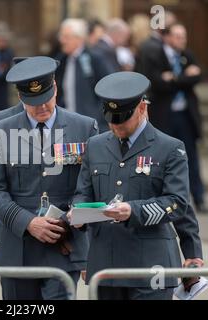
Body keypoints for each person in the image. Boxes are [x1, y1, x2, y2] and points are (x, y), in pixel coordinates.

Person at [0, 56, 98, 299]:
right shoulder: (2, 130)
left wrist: (71, 219)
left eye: (46, 99)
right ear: (21, 98)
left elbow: (89, 186)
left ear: (55, 88)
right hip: (18, 246)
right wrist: (29, 223)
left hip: (63, 244)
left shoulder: (84, 127)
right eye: (34, 102)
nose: (42, 107)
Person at [72, 71, 191, 300]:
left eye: (123, 119)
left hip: (150, 265)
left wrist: (133, 211)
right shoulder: (95, 146)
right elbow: (82, 192)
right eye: (111, 119)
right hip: (106, 264)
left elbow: (177, 203)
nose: (116, 126)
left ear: (142, 108)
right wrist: (77, 213)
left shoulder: (170, 148)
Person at [136, 23, 206, 213]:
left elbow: (198, 77)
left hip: (185, 115)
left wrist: (174, 78)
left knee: (191, 156)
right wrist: (183, 78)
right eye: (177, 36)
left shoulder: (187, 55)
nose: (181, 39)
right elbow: (157, 83)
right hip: (164, 115)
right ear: (166, 37)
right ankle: (161, 198)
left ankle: (198, 198)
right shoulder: (156, 54)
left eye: (183, 36)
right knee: (162, 156)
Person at [55, 18, 115, 132]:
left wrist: (98, 118)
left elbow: (109, 90)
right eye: (61, 36)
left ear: (79, 39)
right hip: (66, 125)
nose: (62, 40)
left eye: (66, 37)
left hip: (90, 126)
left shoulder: (95, 58)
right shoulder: (61, 60)